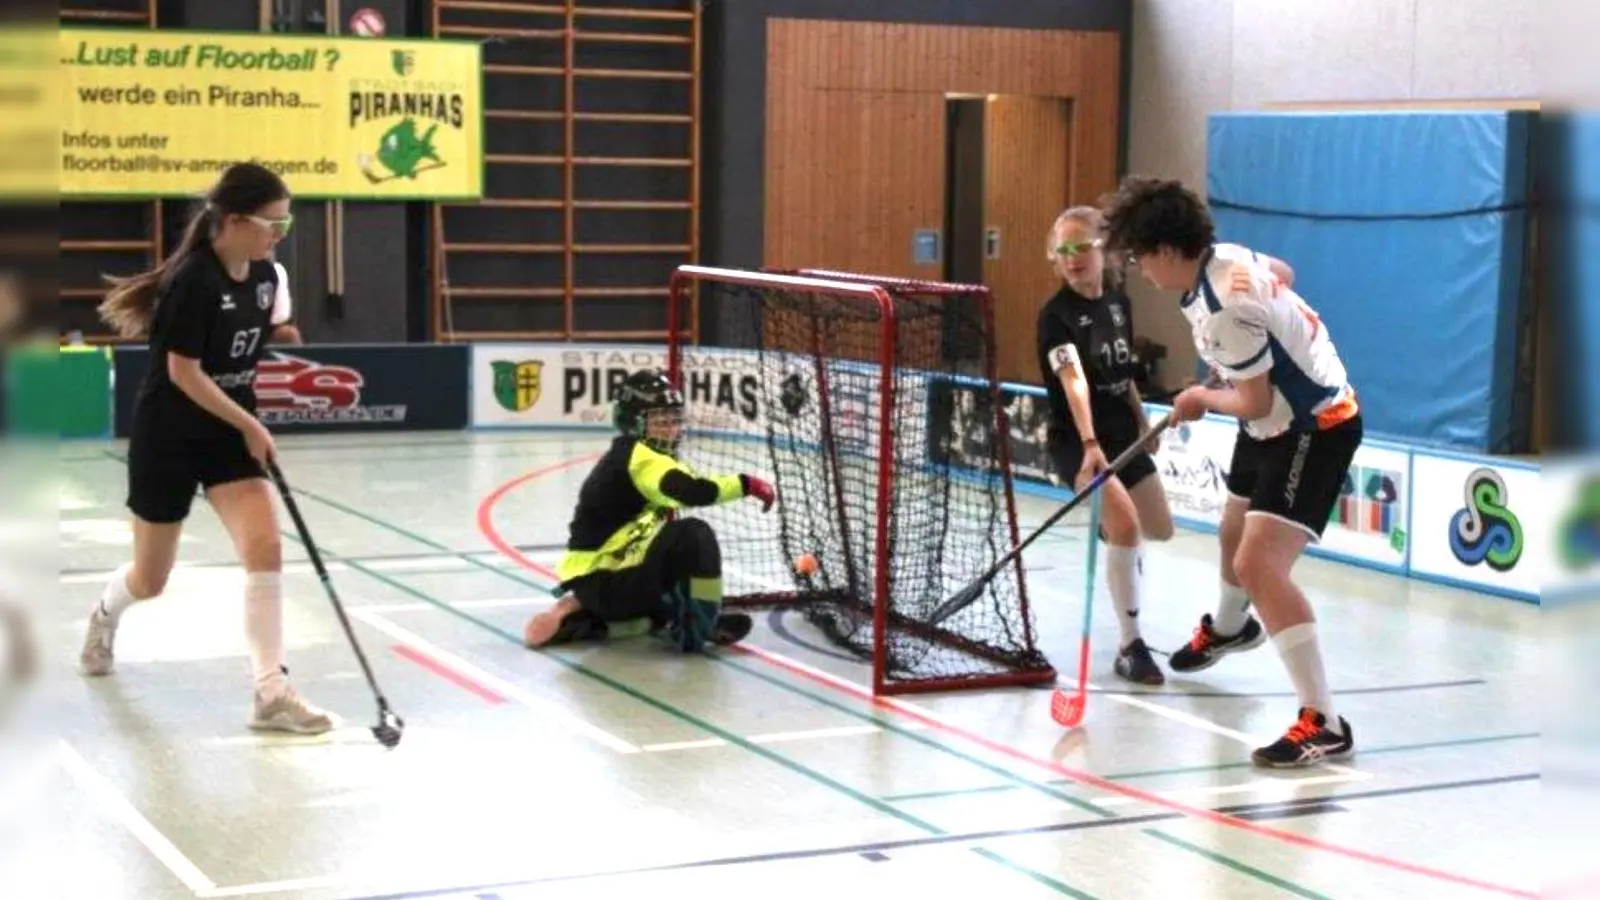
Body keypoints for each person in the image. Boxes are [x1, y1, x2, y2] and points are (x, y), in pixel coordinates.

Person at [1101, 176, 1363, 768]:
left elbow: (1255, 403)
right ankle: (1228, 627)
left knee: (1257, 564)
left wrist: (1199, 396)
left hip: (1312, 425)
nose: (1141, 271)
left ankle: (1324, 720)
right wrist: (1244, 361)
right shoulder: (1229, 259)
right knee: (1230, 531)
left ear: (1169, 250)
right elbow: (1285, 274)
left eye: (1142, 258)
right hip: (1274, 419)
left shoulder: (1223, 306)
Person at [79, 162, 334, 735]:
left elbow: (252, 348)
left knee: (265, 547)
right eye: (276, 221)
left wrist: (243, 424)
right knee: (151, 578)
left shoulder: (267, 276)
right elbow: (183, 373)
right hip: (169, 433)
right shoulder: (193, 280)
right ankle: (102, 614)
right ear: (236, 220)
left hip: (227, 432)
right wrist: (251, 423)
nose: (281, 232)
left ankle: (270, 689)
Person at [1036, 205, 1190, 685]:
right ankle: (1130, 645)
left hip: (1126, 434)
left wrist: (1144, 424)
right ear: (1054, 259)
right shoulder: (1055, 317)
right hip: (1080, 443)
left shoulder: (1119, 303)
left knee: (1159, 529)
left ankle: (1114, 532)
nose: (1074, 258)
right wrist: (1088, 443)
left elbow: (1122, 377)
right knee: (1126, 528)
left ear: (1105, 250)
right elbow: (1073, 380)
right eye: (1064, 250)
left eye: (1083, 246)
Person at [522, 369, 776, 652]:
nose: (671, 429)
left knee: (669, 558)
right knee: (694, 535)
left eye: (674, 421)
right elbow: (692, 492)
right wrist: (746, 484)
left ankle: (587, 619)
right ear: (634, 423)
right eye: (660, 421)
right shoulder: (641, 457)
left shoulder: (630, 454)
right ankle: (701, 626)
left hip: (599, 581)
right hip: (608, 581)